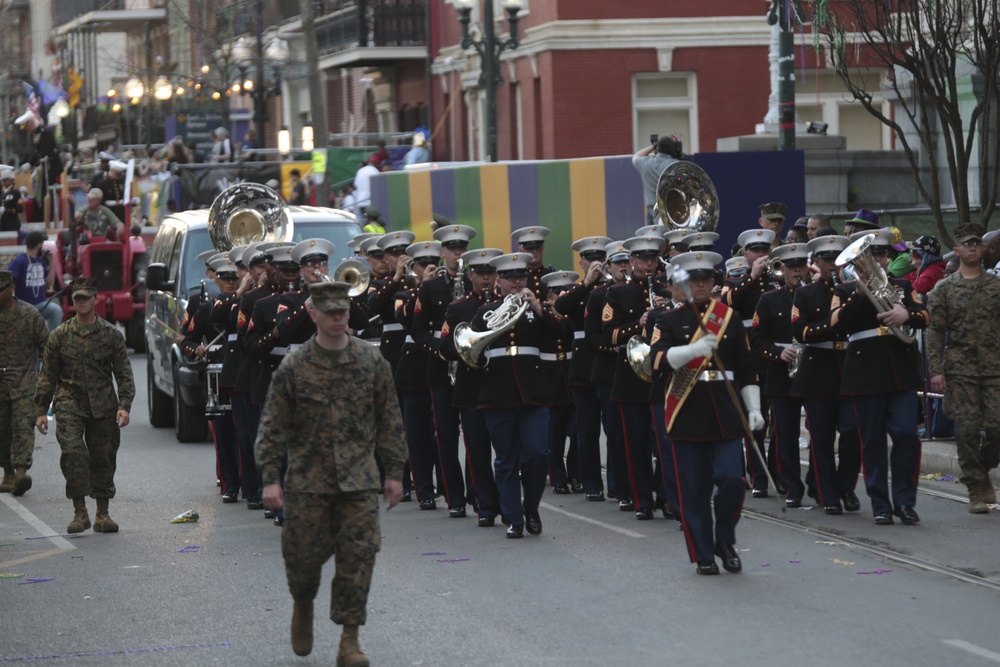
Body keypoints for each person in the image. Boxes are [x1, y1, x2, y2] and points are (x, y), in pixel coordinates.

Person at [256, 280, 405, 663]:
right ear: (314, 314)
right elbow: (274, 425)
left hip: (358, 481)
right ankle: (303, 604)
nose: (339, 318)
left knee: (358, 557)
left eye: (344, 311)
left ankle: (349, 640)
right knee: (302, 561)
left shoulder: (371, 362)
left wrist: (394, 472)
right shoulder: (295, 367)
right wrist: (271, 477)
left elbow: (389, 419)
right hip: (308, 483)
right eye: (332, 312)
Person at [649, 250, 760, 575]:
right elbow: (655, 361)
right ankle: (704, 555)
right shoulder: (668, 320)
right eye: (694, 280)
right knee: (694, 489)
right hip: (687, 412)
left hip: (725, 412)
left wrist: (753, 408)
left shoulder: (729, 317)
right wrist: (692, 351)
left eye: (706, 279)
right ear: (684, 284)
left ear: (714, 282)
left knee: (732, 481)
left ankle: (724, 539)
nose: (700, 285)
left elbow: (746, 368)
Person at [833, 229, 929, 525]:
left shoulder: (901, 285)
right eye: (872, 255)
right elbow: (836, 325)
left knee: (906, 435)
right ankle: (880, 504)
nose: (878, 260)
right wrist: (861, 296)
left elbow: (924, 316)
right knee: (871, 440)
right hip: (865, 374)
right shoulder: (845, 290)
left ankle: (905, 502)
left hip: (900, 373)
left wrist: (906, 316)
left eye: (882, 254)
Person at [468, 252, 564, 538]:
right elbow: (468, 347)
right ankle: (514, 518)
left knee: (537, 454)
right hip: (498, 394)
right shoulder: (485, 311)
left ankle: (530, 507)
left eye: (520, 277)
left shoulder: (536, 311)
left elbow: (561, 334)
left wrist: (540, 307)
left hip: (534, 393)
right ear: (500, 281)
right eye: (510, 278)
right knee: (506, 460)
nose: (516, 283)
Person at [34, 277, 135, 534]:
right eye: (77, 298)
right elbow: (48, 375)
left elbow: (123, 372)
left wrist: (125, 405)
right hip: (69, 402)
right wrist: (40, 411)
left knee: (103, 457)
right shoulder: (60, 336)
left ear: (96, 300)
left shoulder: (110, 335)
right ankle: (80, 512)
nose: (81, 302)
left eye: (85, 298)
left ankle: (102, 514)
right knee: (72, 453)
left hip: (103, 404)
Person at [927, 223, 1000, 513]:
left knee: (997, 428)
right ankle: (975, 490)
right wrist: (936, 370)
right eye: (967, 244)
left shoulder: (996, 287)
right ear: (957, 250)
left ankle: (980, 471)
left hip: (995, 368)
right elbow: (934, 333)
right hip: (960, 370)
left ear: (983, 249)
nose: (972, 248)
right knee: (967, 429)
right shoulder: (944, 289)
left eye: (976, 244)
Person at [0, 270, 48, 495]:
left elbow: (46, 347)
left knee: (23, 427)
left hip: (25, 383)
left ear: (10, 289)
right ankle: (7, 473)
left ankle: (21, 472)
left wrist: (45, 379)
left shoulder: (30, 314)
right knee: (3, 431)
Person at [8, 231, 62, 331]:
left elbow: (50, 282)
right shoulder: (19, 261)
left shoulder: (40, 261)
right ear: (39, 244)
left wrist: (51, 261)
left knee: (56, 311)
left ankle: (52, 342)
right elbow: (8, 281)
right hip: (24, 305)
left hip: (41, 304)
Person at [632, 135, 683, 225]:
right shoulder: (676, 165)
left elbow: (636, 156)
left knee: (653, 238)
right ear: (672, 149)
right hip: (672, 211)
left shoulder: (645, 163)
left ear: (658, 148)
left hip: (653, 211)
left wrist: (653, 146)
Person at [512, 226, 555, 298]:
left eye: (537, 247)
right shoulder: (517, 279)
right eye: (529, 248)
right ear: (520, 251)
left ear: (542, 248)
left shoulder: (552, 276)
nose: (534, 251)